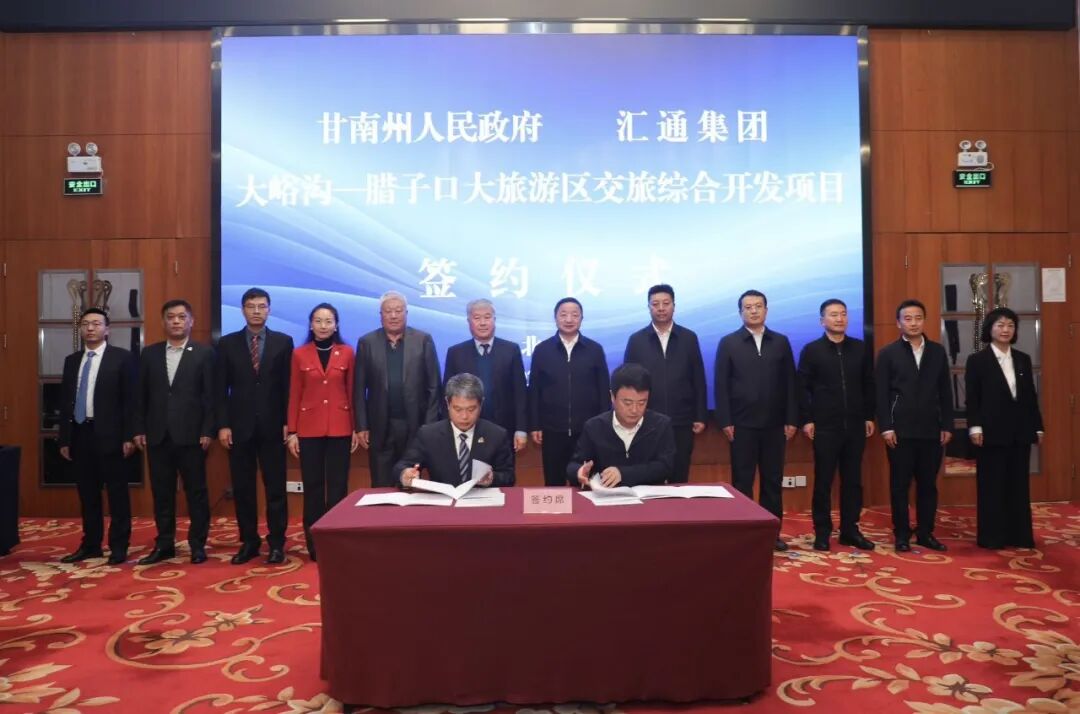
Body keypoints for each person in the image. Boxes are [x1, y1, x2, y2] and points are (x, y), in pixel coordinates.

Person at [714, 290, 797, 551]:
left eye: (758, 306)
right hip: (741, 425)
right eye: (748, 307)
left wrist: (791, 418)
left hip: (775, 425)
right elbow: (721, 384)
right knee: (742, 481)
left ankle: (772, 534)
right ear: (740, 312)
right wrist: (725, 420)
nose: (753, 311)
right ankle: (744, 533)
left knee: (773, 481)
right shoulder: (729, 343)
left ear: (766, 310)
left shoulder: (780, 342)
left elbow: (791, 383)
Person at [133, 300, 215, 565]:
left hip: (192, 435)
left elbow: (210, 396)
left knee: (196, 493)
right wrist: (139, 428)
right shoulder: (150, 354)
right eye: (171, 317)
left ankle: (197, 544)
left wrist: (208, 430)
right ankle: (164, 544)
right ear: (163, 322)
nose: (176, 321)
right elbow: (141, 396)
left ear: (191, 321)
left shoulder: (204, 353)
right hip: (158, 434)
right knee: (162, 493)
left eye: (182, 317)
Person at [215, 287, 293, 566]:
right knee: (243, 488)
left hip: (274, 426)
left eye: (262, 306)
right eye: (251, 306)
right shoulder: (227, 343)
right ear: (243, 310)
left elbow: (288, 387)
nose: (257, 311)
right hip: (239, 427)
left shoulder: (284, 342)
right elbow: (220, 388)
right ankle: (249, 541)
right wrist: (223, 425)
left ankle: (277, 543)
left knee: (275, 488)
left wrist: (288, 422)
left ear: (269, 309)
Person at [57, 308, 138, 564]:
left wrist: (129, 436)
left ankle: (119, 546)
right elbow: (66, 402)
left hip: (112, 436)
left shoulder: (122, 358)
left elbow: (130, 402)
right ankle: (91, 544)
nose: (90, 328)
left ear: (107, 329)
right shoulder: (72, 360)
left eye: (96, 323)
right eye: (85, 324)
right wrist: (65, 438)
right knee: (88, 494)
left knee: (117, 494)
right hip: (80, 434)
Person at [798, 299, 876, 552]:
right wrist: (807, 419)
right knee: (823, 481)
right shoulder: (812, 350)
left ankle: (850, 530)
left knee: (853, 481)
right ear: (822, 320)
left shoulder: (860, 348)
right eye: (833, 315)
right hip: (825, 426)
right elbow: (802, 389)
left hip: (855, 425)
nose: (839, 318)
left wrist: (869, 416)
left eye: (843, 314)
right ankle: (822, 532)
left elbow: (868, 384)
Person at [876, 299, 953, 552]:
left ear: (924, 321)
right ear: (899, 323)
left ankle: (925, 533)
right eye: (907, 319)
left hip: (932, 430)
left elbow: (945, 391)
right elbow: (881, 394)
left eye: (918, 318)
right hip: (900, 431)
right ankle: (901, 534)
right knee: (900, 485)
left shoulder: (937, 352)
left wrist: (947, 425)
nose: (913, 323)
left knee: (928, 485)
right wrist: (886, 427)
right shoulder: (888, 353)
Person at [965, 307, 1043, 550]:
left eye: (1010, 325)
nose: (1005, 329)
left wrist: (1037, 427)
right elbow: (972, 398)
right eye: (1000, 325)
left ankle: (1019, 535)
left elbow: (1030, 396)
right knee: (992, 485)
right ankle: (992, 537)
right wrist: (974, 427)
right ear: (990, 329)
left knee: (1018, 485)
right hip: (990, 432)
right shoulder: (977, 361)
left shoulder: (1022, 359)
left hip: (1020, 431)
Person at [287, 303, 359, 561]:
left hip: (340, 427)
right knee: (313, 488)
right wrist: (292, 431)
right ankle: (314, 543)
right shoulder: (299, 354)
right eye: (318, 320)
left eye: (328, 321)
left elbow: (352, 391)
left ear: (336, 325)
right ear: (310, 324)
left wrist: (355, 427)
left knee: (338, 487)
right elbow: (295, 393)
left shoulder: (347, 352)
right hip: (309, 429)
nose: (323, 325)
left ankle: (336, 540)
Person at [354, 291, 440, 487]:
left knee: (412, 482)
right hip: (380, 426)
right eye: (388, 311)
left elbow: (434, 386)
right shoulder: (367, 342)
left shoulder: (422, 340)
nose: (393, 316)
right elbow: (359, 388)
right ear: (381, 315)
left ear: (406, 313)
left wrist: (430, 426)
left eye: (398, 311)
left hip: (415, 425)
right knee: (381, 483)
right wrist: (361, 425)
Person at [623, 284, 707, 483]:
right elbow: (627, 382)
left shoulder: (688, 338)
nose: (661, 308)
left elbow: (698, 378)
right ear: (649, 307)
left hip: (682, 419)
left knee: (679, 475)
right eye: (655, 304)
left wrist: (700, 415)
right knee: (647, 476)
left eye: (666, 303)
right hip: (645, 420)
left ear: (674, 306)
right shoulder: (636, 340)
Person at [527, 297, 610, 487]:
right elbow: (534, 391)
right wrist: (535, 424)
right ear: (555, 318)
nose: (569, 319)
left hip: (587, 430)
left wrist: (603, 425)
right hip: (552, 430)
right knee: (554, 482)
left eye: (574, 314)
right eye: (563, 315)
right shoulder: (542, 350)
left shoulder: (594, 350)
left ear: (581, 318)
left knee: (585, 482)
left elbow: (603, 390)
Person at [394, 373, 515, 488]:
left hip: (482, 500)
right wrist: (405, 474)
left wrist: (493, 478)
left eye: (471, 409)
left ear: (481, 404)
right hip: (443, 500)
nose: (464, 416)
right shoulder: (428, 435)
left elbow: (509, 477)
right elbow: (402, 466)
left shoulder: (496, 435)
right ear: (447, 403)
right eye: (457, 409)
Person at [569, 362, 675, 488]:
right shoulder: (594, 427)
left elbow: (666, 467)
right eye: (627, 403)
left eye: (642, 402)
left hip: (649, 497)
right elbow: (574, 465)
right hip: (607, 497)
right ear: (612, 397)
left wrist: (623, 474)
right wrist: (579, 472)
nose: (635, 410)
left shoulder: (661, 425)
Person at [444, 299, 528, 453]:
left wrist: (521, 429)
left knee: (503, 467)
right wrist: (448, 429)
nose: (483, 323)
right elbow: (448, 395)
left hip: (504, 428)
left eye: (487, 317)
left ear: (494, 320)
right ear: (469, 322)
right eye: (477, 318)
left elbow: (520, 393)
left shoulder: (511, 350)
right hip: (466, 428)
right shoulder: (456, 353)